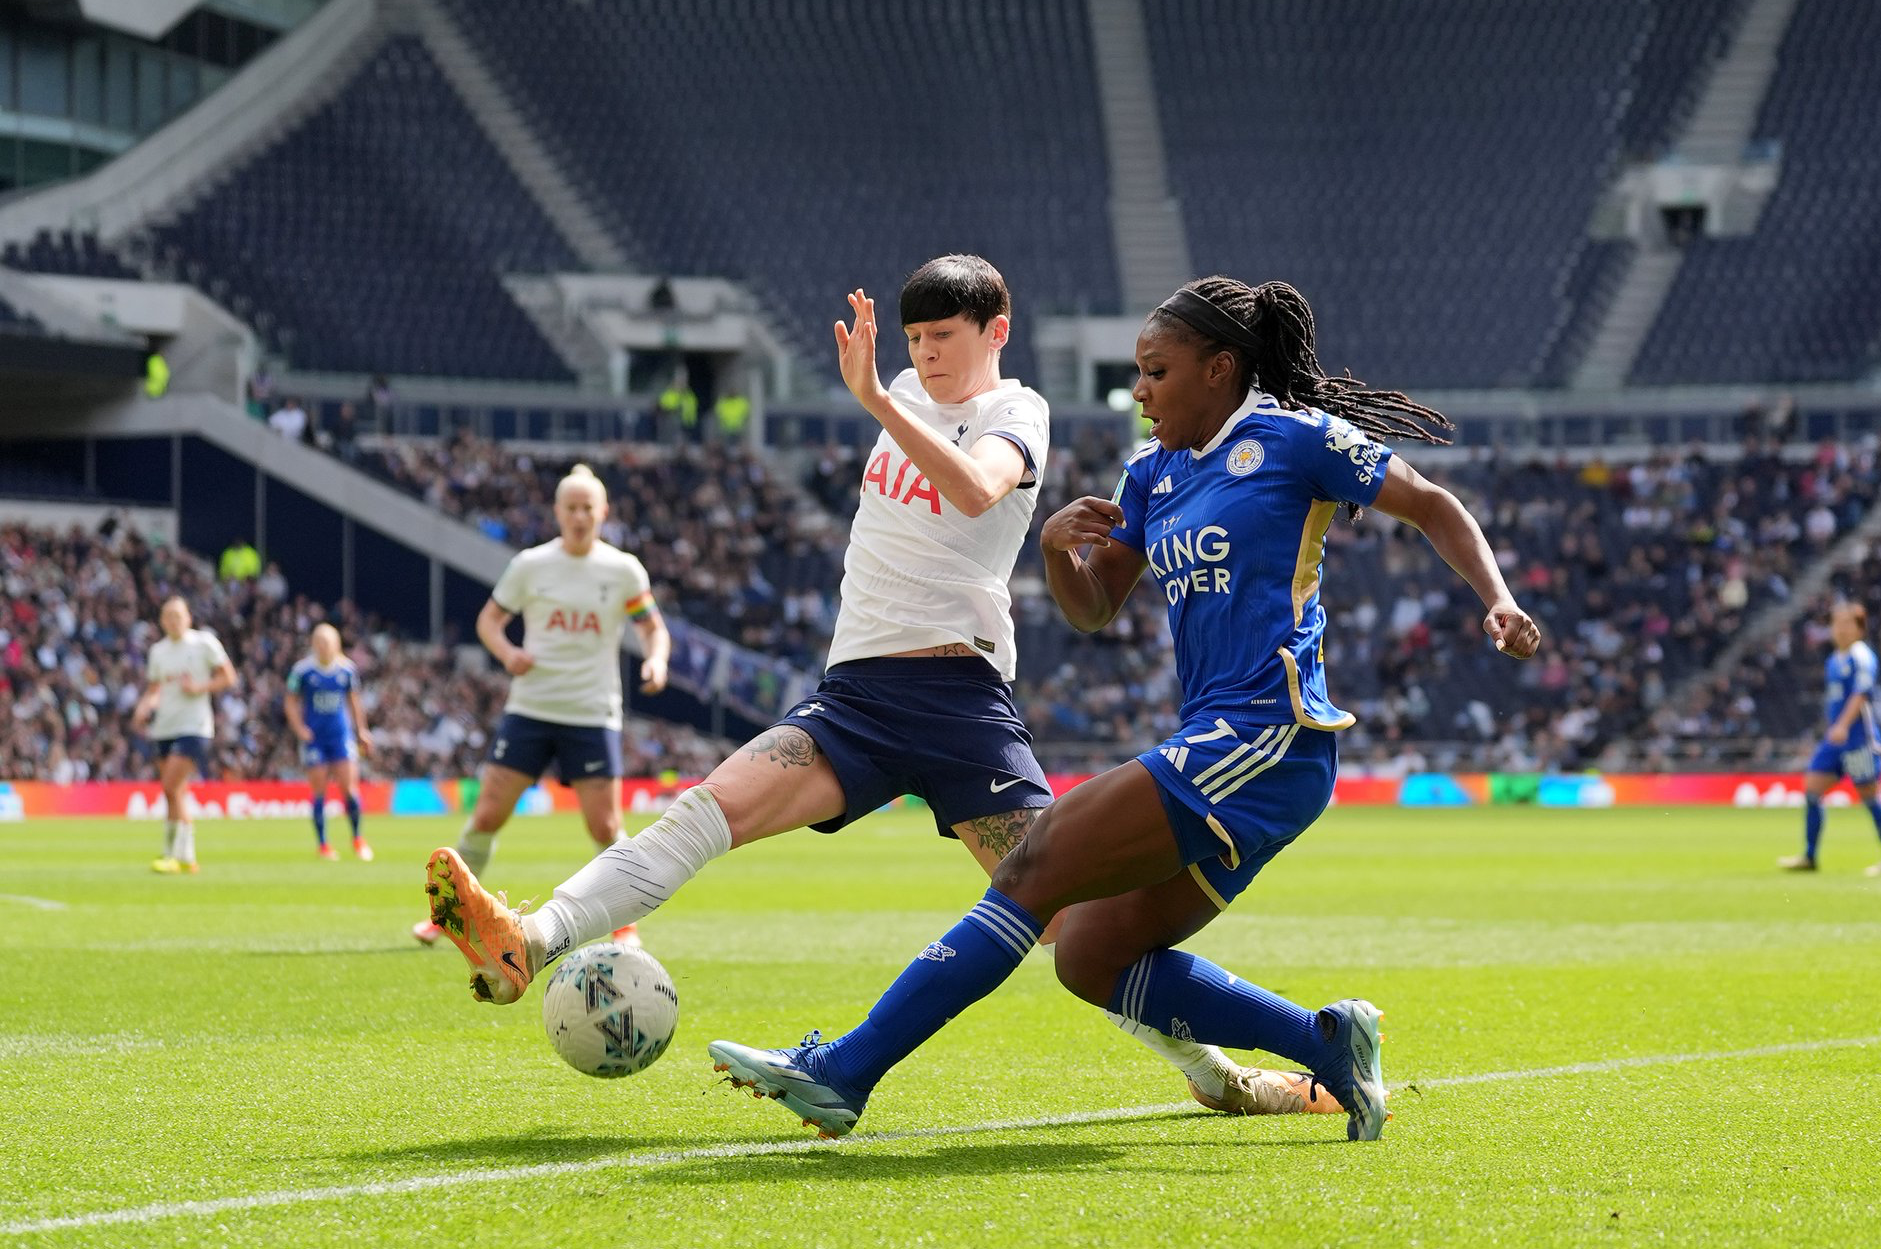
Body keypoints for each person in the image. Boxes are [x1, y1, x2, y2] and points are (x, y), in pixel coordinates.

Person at [422, 256, 1332, 1118]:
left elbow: (979, 492)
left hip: (959, 701)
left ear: (995, 330)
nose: (925, 354)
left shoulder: (1019, 410)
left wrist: (873, 402)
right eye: (913, 339)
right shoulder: (899, 392)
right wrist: (884, 397)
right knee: (706, 810)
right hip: (854, 696)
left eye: (943, 335)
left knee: (1072, 925)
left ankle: (1222, 1077)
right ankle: (531, 938)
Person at [700, 273, 1542, 1142]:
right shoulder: (1153, 473)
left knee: (1033, 866)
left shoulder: (1295, 441)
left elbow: (1432, 504)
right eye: (1138, 372)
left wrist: (1497, 597)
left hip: (1272, 732)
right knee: (1090, 955)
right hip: (1220, 745)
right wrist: (1062, 552)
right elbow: (1095, 608)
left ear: (1220, 369)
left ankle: (845, 1071)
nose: (1138, 390)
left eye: (1156, 371)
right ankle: (1327, 1043)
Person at [411, 462, 670, 948]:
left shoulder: (622, 570)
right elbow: (489, 622)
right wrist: (509, 654)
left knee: (606, 826)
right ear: (556, 511)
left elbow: (653, 628)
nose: (579, 516)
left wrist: (656, 661)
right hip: (531, 708)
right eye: (570, 508)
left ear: (603, 511)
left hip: (592, 712)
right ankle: (451, 919)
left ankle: (624, 923)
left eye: (587, 508)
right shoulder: (531, 565)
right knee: (488, 814)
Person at [1779, 602, 1881, 876]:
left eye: (1847, 623)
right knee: (1812, 791)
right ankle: (1809, 856)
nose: (1840, 629)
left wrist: (1843, 726)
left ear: (1859, 629)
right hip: (1835, 739)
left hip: (1857, 738)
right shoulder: (1833, 660)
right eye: (1836, 623)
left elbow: (1861, 694)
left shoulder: (1861, 656)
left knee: (1870, 797)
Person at [131, 596, 237, 874]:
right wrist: (144, 707)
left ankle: (177, 855)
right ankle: (179, 855)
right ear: (161, 621)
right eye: (168, 616)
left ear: (188, 618)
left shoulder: (204, 643)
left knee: (170, 785)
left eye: (178, 615)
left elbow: (228, 677)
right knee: (174, 793)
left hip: (194, 726)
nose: (173, 621)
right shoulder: (158, 651)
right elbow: (155, 690)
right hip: (164, 727)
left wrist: (200, 687)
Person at [285, 623, 374, 861]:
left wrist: (361, 730)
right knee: (319, 790)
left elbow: (354, 702)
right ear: (314, 644)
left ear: (336, 644)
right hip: (315, 739)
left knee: (349, 789)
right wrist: (299, 728)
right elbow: (290, 701)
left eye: (328, 642)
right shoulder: (302, 671)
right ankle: (323, 845)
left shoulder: (346, 670)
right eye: (319, 642)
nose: (323, 646)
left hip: (340, 736)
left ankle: (357, 838)